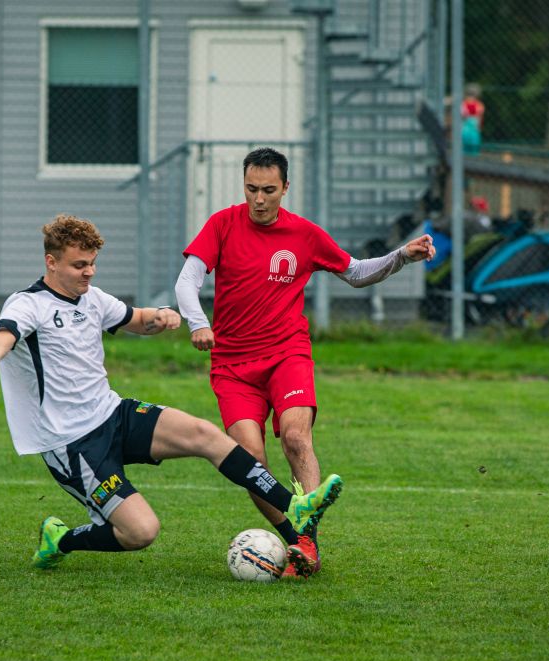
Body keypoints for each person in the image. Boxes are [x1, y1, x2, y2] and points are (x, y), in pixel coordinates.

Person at [0, 213, 342, 573]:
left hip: (113, 414)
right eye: (78, 266)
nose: (88, 272)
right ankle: (62, 538)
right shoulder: (28, 305)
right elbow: (3, 341)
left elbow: (134, 319)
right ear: (51, 262)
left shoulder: (92, 297)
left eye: (92, 263)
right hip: (72, 443)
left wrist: (159, 316)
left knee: (206, 434)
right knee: (141, 532)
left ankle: (296, 508)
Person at [174, 147, 435, 578]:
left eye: (269, 190)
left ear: (285, 188)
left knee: (295, 438)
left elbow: (354, 272)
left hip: (286, 353)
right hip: (233, 365)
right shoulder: (222, 224)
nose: (259, 199)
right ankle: (293, 538)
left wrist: (401, 256)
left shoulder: (305, 235)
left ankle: (308, 542)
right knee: (249, 459)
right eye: (252, 189)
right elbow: (189, 278)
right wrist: (197, 323)